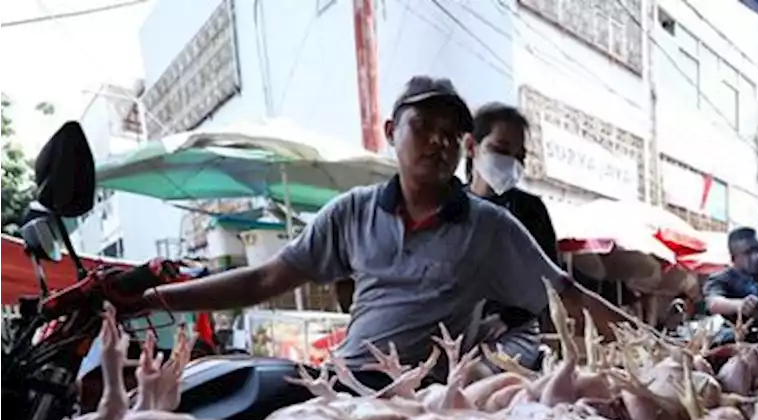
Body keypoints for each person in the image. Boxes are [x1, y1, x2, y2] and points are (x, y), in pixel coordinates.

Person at [131, 75, 635, 380]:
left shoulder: (490, 229)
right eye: (424, 128)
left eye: (450, 135)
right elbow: (264, 280)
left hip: (423, 403)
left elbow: (567, 295)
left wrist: (659, 348)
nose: (439, 143)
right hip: (343, 382)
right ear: (392, 132)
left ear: (464, 147)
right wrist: (157, 299)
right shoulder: (350, 212)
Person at [463, 102, 556, 370]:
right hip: (456, 328)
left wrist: (508, 319)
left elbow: (549, 283)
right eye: (501, 150)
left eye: (520, 157)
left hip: (514, 330)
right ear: (471, 146)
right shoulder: (450, 206)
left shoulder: (530, 211)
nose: (511, 163)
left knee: (473, 377)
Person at [703, 227, 758, 345]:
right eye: (748, 253)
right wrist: (740, 305)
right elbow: (713, 303)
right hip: (729, 347)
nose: (757, 257)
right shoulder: (720, 279)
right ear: (734, 258)